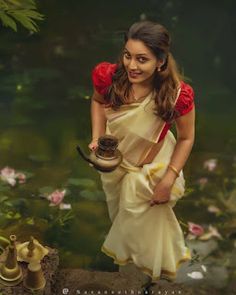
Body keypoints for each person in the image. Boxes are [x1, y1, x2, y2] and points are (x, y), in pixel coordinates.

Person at [88, 21, 195, 284]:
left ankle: (150, 280)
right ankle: (134, 281)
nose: (132, 65)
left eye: (142, 59)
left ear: (160, 61)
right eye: (128, 55)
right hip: (116, 167)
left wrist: (167, 180)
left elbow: (186, 137)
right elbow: (97, 101)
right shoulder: (111, 79)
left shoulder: (175, 94)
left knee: (142, 230)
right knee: (123, 225)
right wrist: (97, 137)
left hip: (153, 174)